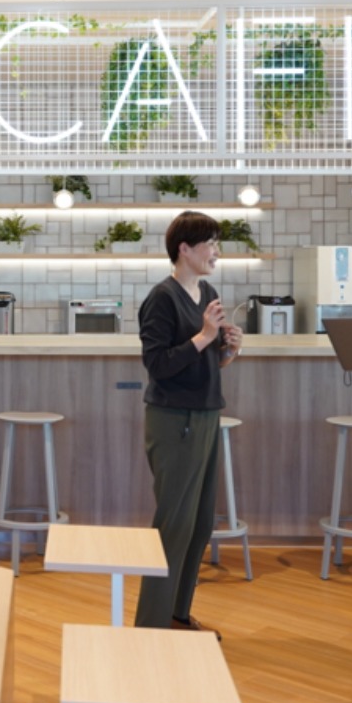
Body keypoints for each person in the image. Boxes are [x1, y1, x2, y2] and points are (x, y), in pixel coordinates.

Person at [134, 211, 242, 635]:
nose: (216, 252)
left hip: (206, 414)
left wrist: (228, 349)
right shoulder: (162, 298)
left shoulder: (207, 292)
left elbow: (208, 361)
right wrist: (204, 336)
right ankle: (152, 625)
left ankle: (177, 615)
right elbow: (158, 365)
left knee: (198, 523)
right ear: (184, 249)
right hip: (174, 419)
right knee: (173, 524)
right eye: (210, 244)